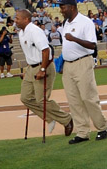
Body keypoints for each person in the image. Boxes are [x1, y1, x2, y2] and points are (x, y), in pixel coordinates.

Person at [58, 0, 107, 142]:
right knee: (73, 100)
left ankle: (103, 126)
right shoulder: (65, 23)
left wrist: (74, 38)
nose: (61, 10)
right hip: (68, 65)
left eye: (63, 7)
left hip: (83, 62)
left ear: (72, 7)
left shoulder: (85, 22)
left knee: (88, 97)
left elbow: (92, 45)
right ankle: (82, 132)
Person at [14, 8, 73, 138]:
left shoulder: (34, 31)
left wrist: (42, 69)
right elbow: (30, 53)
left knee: (41, 100)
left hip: (43, 66)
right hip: (31, 67)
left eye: (17, 18)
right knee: (25, 98)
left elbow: (45, 50)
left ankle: (66, 119)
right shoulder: (21, 33)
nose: (15, 21)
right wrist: (28, 70)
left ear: (26, 19)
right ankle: (49, 118)